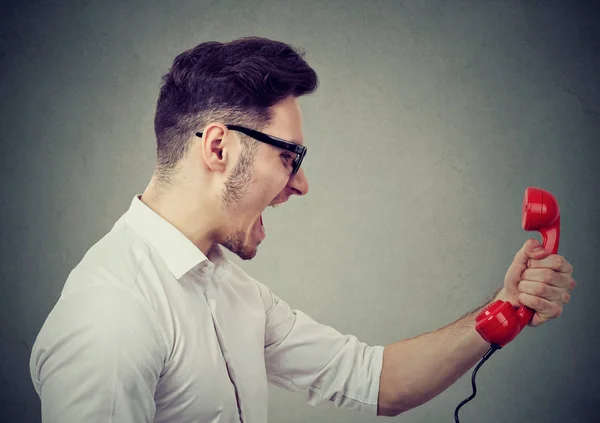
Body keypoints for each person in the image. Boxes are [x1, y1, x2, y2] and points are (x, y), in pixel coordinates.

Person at [29, 36, 576, 423]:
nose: (302, 183)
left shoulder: (228, 288)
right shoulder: (111, 313)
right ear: (219, 147)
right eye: (290, 156)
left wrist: (502, 308)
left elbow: (375, 381)